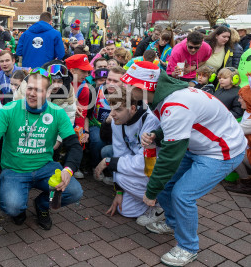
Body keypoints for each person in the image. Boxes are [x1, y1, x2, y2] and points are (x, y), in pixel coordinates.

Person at [121, 61, 246, 266]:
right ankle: (173, 224)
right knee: (166, 185)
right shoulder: (169, 97)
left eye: (128, 85)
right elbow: (181, 124)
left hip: (222, 151)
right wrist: (157, 134)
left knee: (183, 194)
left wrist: (151, 192)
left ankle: (188, 247)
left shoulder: (174, 103)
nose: (125, 88)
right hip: (202, 145)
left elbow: (170, 156)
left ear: (142, 88)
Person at [0, 70, 83, 230]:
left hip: (45, 167)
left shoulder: (57, 113)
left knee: (74, 191)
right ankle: (19, 210)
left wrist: (68, 169)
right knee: (13, 206)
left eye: (38, 90)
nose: (32, 94)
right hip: (15, 170)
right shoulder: (9, 109)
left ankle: (42, 204)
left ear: (48, 92)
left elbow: (74, 145)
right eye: (30, 88)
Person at [94, 88, 162, 225]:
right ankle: (148, 201)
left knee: (119, 173)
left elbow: (145, 162)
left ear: (132, 108)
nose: (112, 114)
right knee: (126, 210)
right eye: (111, 109)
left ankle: (162, 206)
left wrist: (109, 162)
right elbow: (120, 153)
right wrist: (119, 191)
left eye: (118, 110)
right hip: (136, 168)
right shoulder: (116, 121)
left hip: (156, 169)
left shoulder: (150, 120)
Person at [88, 66, 126, 181]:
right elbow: (87, 114)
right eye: (109, 80)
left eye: (115, 81)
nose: (110, 83)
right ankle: (95, 166)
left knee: (113, 146)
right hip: (97, 125)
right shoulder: (95, 91)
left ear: (123, 83)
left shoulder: (127, 96)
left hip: (118, 129)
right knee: (97, 141)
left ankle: (111, 170)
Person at [224, 83, 251, 194]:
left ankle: (246, 184)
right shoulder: (248, 113)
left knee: (232, 150)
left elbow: (236, 131)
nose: (239, 100)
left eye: (241, 98)